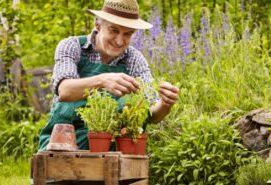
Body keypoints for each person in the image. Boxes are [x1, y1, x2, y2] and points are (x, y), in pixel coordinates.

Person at [38, 0, 179, 150]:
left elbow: (152, 115)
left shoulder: (135, 60)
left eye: (127, 34)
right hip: (62, 143)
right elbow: (65, 90)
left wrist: (165, 104)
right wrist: (102, 81)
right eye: (114, 30)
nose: (119, 41)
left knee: (134, 103)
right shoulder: (73, 47)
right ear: (97, 25)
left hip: (112, 148)